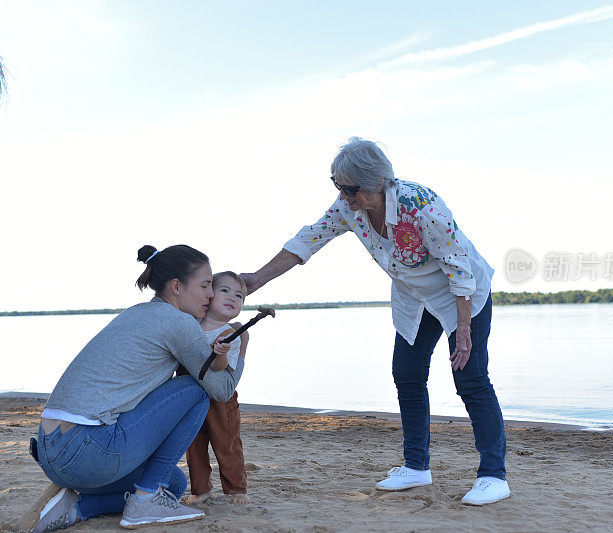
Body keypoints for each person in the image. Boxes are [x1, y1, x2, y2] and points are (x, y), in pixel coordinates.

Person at [241, 137, 510, 505]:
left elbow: (459, 270)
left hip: (461, 296)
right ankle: (417, 468)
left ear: (375, 184)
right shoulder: (349, 207)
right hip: (414, 298)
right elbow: (309, 239)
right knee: (408, 375)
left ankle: (494, 475)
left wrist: (463, 330)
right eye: (338, 187)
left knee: (471, 379)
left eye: (349, 189)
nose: (343, 196)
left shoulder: (423, 208)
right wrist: (256, 279)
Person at [26, 244, 247, 532]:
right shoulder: (178, 323)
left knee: (175, 484)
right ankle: (144, 501)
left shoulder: (137, 313)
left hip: (52, 453)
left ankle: (78, 506)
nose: (211, 294)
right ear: (177, 287)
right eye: (206, 285)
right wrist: (241, 350)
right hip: (86, 451)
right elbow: (221, 390)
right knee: (195, 391)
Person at [180, 271, 251, 505]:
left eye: (239, 296)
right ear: (209, 296)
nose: (233, 298)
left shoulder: (232, 333)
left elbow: (221, 369)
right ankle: (200, 490)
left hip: (221, 400)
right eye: (225, 291)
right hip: (192, 395)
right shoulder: (191, 325)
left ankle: (236, 490)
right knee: (195, 444)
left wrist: (218, 354)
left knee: (227, 443)